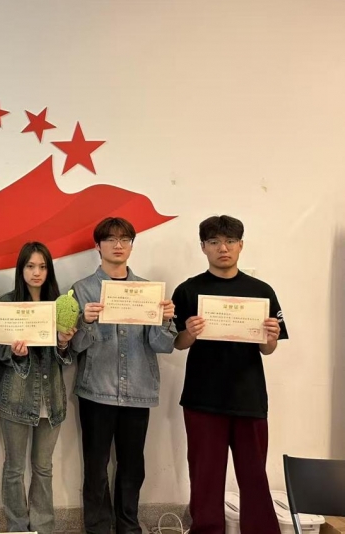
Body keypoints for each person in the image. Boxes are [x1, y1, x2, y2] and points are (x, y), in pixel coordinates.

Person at [172, 215, 287, 534]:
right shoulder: (188, 290)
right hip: (202, 397)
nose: (223, 248)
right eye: (214, 242)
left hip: (249, 396)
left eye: (230, 241)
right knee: (205, 476)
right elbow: (177, 343)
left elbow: (268, 349)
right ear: (203, 247)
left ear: (241, 245)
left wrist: (270, 336)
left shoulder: (261, 291)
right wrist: (190, 332)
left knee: (254, 475)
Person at [70, 217, 177, 534]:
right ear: (98, 245)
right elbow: (73, 346)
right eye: (111, 239)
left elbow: (163, 346)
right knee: (96, 467)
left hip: (138, 391)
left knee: (132, 467)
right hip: (96, 390)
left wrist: (164, 319)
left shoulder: (148, 291)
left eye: (125, 239)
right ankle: (98, 528)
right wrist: (86, 322)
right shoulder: (82, 289)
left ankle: (129, 526)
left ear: (131, 245)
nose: (118, 245)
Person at [0, 241, 76, 534]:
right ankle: (17, 527)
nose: (36, 272)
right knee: (14, 468)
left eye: (42, 267)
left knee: (43, 468)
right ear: (21, 269)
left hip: (51, 399)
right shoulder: (7, 303)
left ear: (49, 270)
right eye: (30, 266)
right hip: (15, 397)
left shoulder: (60, 304)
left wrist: (64, 342)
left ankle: (43, 527)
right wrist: (16, 353)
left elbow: (67, 356)